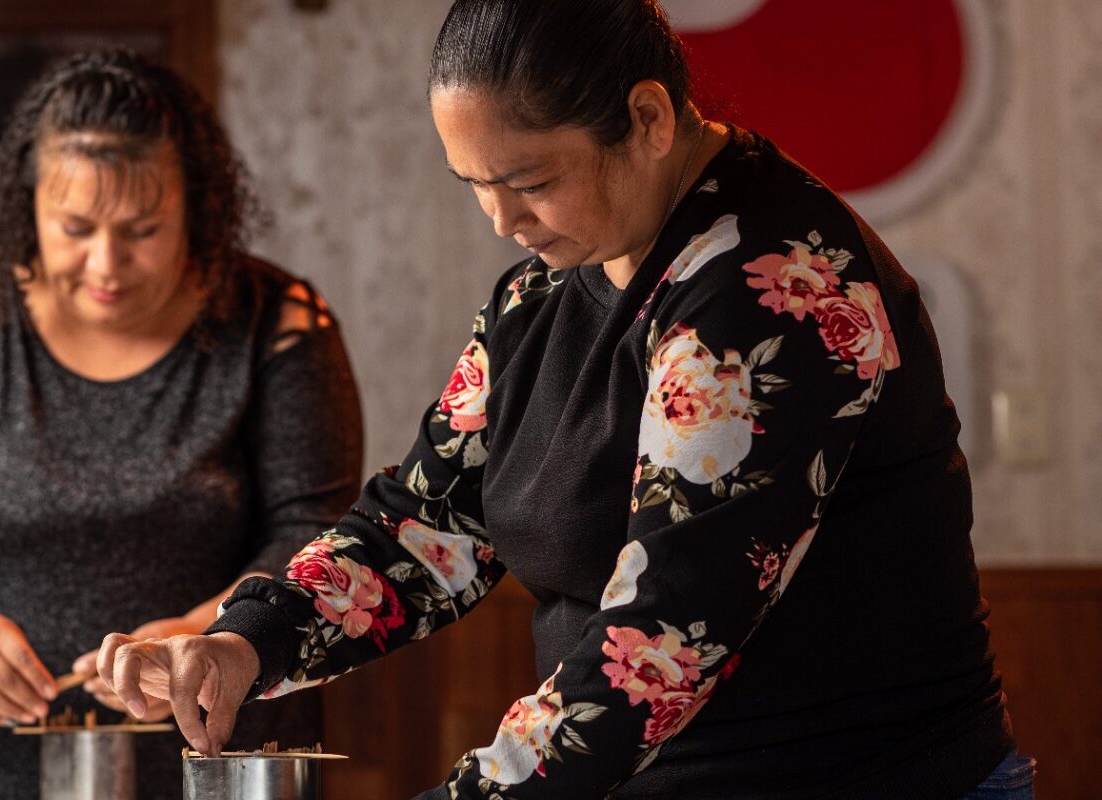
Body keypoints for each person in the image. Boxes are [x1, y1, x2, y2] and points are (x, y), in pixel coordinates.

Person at [97, 2, 1034, 797]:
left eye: (529, 181)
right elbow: (429, 527)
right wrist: (247, 643)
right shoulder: (540, 292)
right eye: (475, 186)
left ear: (650, 119)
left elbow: (661, 638)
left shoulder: (769, 285)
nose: (503, 220)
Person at [0, 49, 363, 799]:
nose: (106, 263)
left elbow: (317, 536)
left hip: (214, 761)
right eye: (75, 227)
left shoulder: (278, 324)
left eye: (142, 229)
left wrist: (202, 638)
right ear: (27, 206)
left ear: (196, 207)